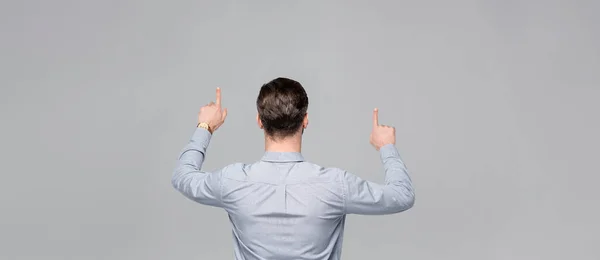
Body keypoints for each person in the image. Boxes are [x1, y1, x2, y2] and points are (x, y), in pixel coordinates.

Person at [171, 77, 415, 260]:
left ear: (259, 121)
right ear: (305, 120)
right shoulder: (335, 184)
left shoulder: (232, 180)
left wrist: (205, 126)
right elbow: (402, 196)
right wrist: (387, 147)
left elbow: (182, 175)